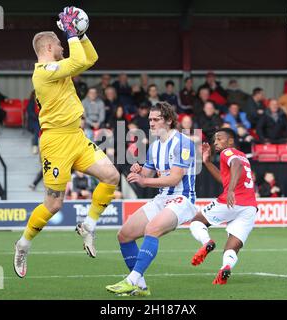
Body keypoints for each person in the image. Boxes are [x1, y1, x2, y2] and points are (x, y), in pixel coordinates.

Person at [13, 8, 120, 279]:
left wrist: (80, 35)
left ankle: (89, 225)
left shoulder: (57, 69)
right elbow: (74, 63)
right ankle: (23, 244)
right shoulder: (43, 72)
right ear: (49, 47)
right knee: (53, 204)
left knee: (111, 176)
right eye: (60, 43)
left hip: (76, 136)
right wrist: (72, 34)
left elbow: (89, 58)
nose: (63, 45)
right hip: (56, 141)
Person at [105, 102, 196, 296]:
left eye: (156, 119)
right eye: (150, 120)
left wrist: (144, 181)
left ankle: (131, 280)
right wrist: (138, 171)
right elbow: (147, 172)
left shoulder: (183, 142)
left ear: (169, 120)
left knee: (152, 229)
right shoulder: (155, 146)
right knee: (124, 235)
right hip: (163, 198)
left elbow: (175, 177)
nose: (152, 123)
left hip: (183, 199)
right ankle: (141, 286)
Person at [188, 128, 257, 285]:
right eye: (214, 140)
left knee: (197, 221)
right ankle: (225, 267)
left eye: (219, 139)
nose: (215, 142)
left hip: (232, 201)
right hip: (250, 207)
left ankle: (207, 242)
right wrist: (207, 162)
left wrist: (231, 190)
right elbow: (225, 179)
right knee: (232, 247)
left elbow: (236, 165)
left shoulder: (228, 153)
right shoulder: (242, 155)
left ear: (230, 141)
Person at [26, 90, 40, 155]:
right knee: (37, 128)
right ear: (33, 96)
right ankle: (35, 145)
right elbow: (30, 113)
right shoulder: (31, 103)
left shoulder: (42, 103)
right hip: (33, 121)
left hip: (41, 121)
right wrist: (38, 117)